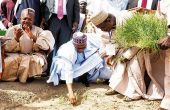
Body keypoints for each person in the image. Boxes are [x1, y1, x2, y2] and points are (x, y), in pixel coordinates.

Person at [91, 10, 165, 101]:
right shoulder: (111, 26)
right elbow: (114, 41)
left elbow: (139, 41)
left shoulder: (127, 18)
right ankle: (118, 87)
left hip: (143, 46)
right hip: (128, 47)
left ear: (109, 20)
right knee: (116, 60)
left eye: (102, 27)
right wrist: (111, 55)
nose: (102, 30)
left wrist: (127, 56)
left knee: (133, 65)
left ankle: (135, 93)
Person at [47, 32, 112, 105]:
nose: (81, 49)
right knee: (66, 70)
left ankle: (88, 75)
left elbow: (107, 42)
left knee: (110, 73)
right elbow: (68, 72)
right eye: (78, 48)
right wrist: (71, 93)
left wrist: (107, 55)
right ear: (74, 44)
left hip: (86, 66)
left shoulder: (90, 38)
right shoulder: (68, 51)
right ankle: (76, 78)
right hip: (67, 69)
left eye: (83, 47)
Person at [1, 8, 55, 83]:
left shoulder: (39, 31)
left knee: (36, 61)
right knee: (8, 62)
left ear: (33, 20)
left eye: (30, 19)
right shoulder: (12, 29)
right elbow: (6, 48)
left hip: (32, 55)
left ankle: (28, 75)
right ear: (20, 19)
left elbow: (47, 47)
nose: (26, 21)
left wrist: (33, 37)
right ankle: (15, 77)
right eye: (25, 18)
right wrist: (16, 39)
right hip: (16, 55)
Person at [43, 0, 80, 74]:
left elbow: (76, 7)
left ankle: (61, 71)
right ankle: (48, 70)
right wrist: (43, 17)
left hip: (67, 21)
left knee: (63, 47)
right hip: (52, 19)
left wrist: (76, 21)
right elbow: (43, 3)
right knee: (50, 45)